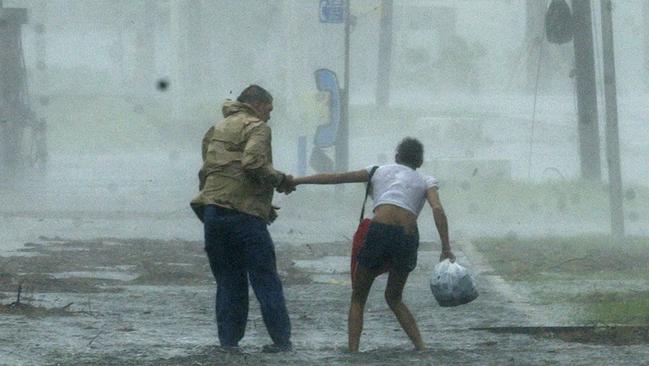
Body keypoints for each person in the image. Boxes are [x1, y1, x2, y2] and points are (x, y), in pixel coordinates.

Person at [292, 137, 455, 352]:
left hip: (379, 231)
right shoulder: (426, 180)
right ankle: (421, 347)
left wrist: (296, 180)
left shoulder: (378, 171)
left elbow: (336, 178)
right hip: (405, 237)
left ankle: (353, 351)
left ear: (396, 156)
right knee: (394, 297)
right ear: (420, 162)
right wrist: (445, 248)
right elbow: (437, 210)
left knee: (359, 297)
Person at [190, 85, 295, 353]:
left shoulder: (217, 129)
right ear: (257, 104)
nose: (270, 116)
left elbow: (211, 173)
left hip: (213, 213)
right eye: (269, 110)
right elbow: (252, 164)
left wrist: (261, 203)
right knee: (265, 278)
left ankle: (229, 343)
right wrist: (280, 180)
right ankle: (281, 342)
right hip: (244, 218)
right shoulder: (257, 127)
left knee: (227, 279)